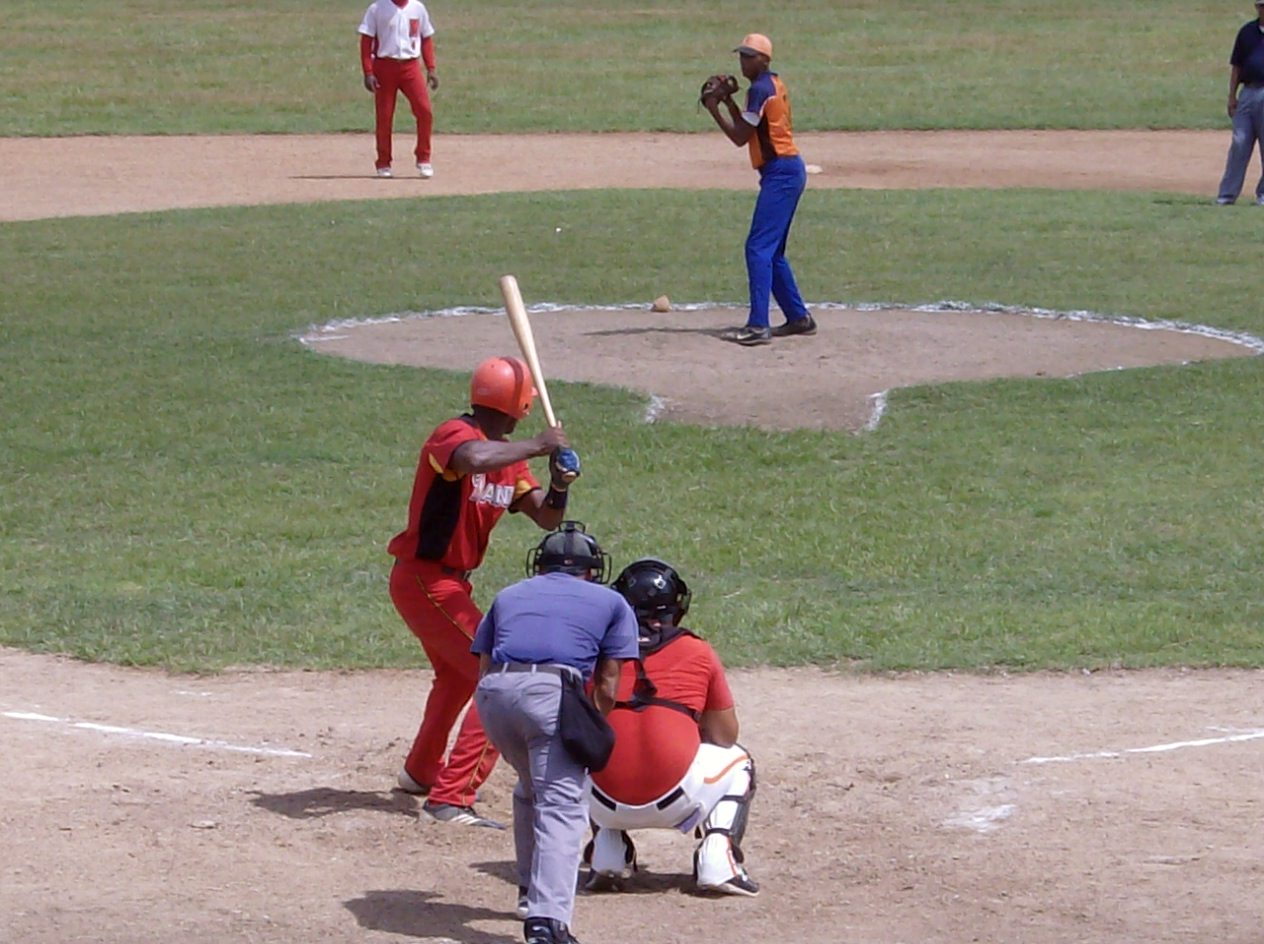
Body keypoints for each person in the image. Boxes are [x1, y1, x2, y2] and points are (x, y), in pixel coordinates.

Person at [388, 355, 580, 828]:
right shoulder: (454, 434)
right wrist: (540, 445)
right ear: (521, 405)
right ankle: (451, 797)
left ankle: (422, 771)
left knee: (459, 677)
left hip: (448, 583)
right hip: (425, 579)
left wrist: (559, 484)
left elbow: (546, 517)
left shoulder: (508, 459)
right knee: (499, 675)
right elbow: (471, 458)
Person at [472, 522, 640, 944]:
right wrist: (587, 726)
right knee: (562, 805)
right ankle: (546, 922)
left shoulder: (509, 594)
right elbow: (608, 684)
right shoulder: (611, 601)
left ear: (540, 565)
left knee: (531, 788)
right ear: (591, 569)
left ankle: (529, 893)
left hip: (493, 696)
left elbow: (483, 665)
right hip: (549, 696)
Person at [583, 557, 759, 898]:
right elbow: (725, 736)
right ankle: (718, 859)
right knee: (740, 761)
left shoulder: (595, 651)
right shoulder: (697, 651)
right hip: (679, 799)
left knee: (586, 749)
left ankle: (607, 852)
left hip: (600, 800)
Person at [702, 32, 816, 346]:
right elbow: (750, 128)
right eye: (741, 55)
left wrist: (714, 108)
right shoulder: (769, 84)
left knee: (758, 248)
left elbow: (740, 137)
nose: (743, 61)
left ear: (764, 60)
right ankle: (798, 318)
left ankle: (757, 326)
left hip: (782, 173)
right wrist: (728, 102)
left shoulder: (761, 89)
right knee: (772, 252)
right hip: (786, 171)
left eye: (749, 57)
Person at [358, 0, 439, 179]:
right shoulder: (377, 8)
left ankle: (423, 158)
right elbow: (366, 42)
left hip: (411, 66)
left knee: (424, 111)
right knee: (385, 116)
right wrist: (368, 72)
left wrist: (431, 68)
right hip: (385, 66)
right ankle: (383, 162)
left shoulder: (417, 8)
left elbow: (426, 38)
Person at [1216, 2, 1264, 205]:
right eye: (1261, 6)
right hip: (1248, 93)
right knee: (1239, 142)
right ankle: (1227, 195)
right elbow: (1236, 66)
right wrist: (1232, 96)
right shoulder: (1247, 32)